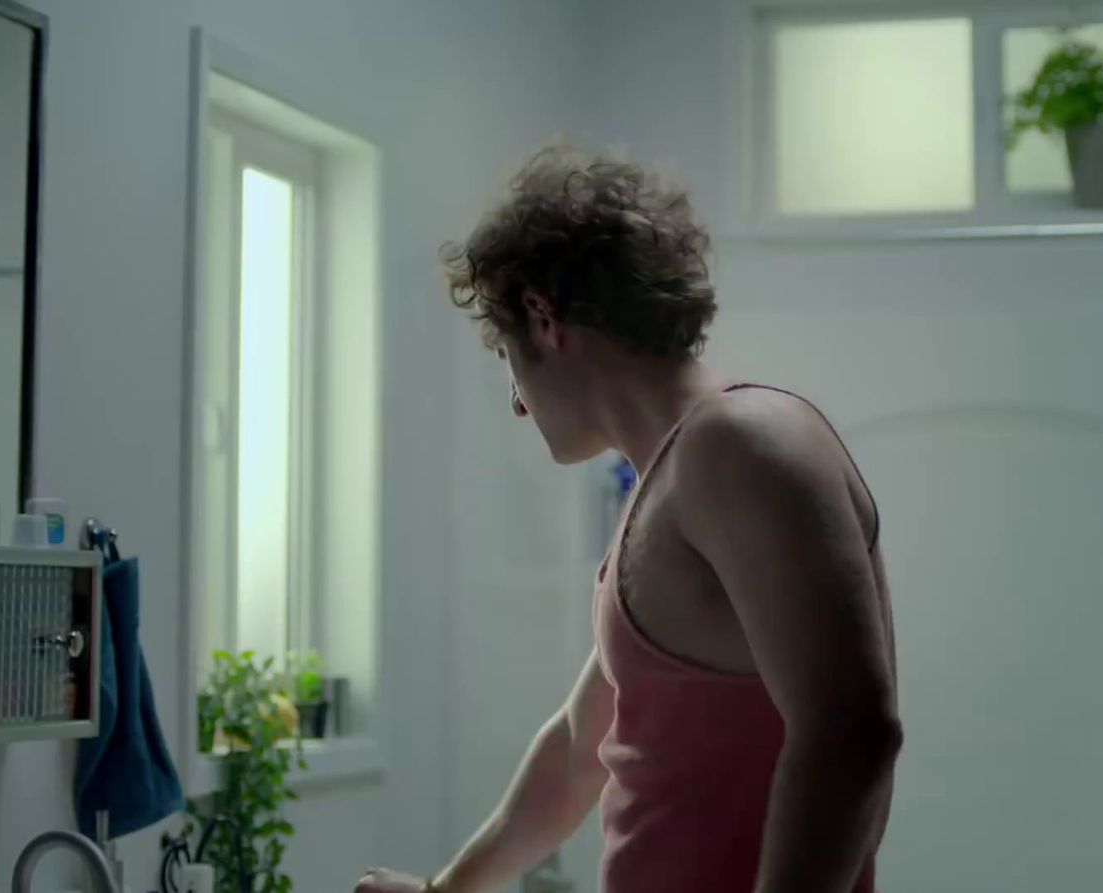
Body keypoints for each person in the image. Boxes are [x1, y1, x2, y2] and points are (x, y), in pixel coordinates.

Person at [356, 146, 901, 893]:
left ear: (542, 317)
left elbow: (853, 733)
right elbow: (582, 745)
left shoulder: (739, 442)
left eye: (508, 359)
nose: (517, 401)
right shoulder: (665, 482)